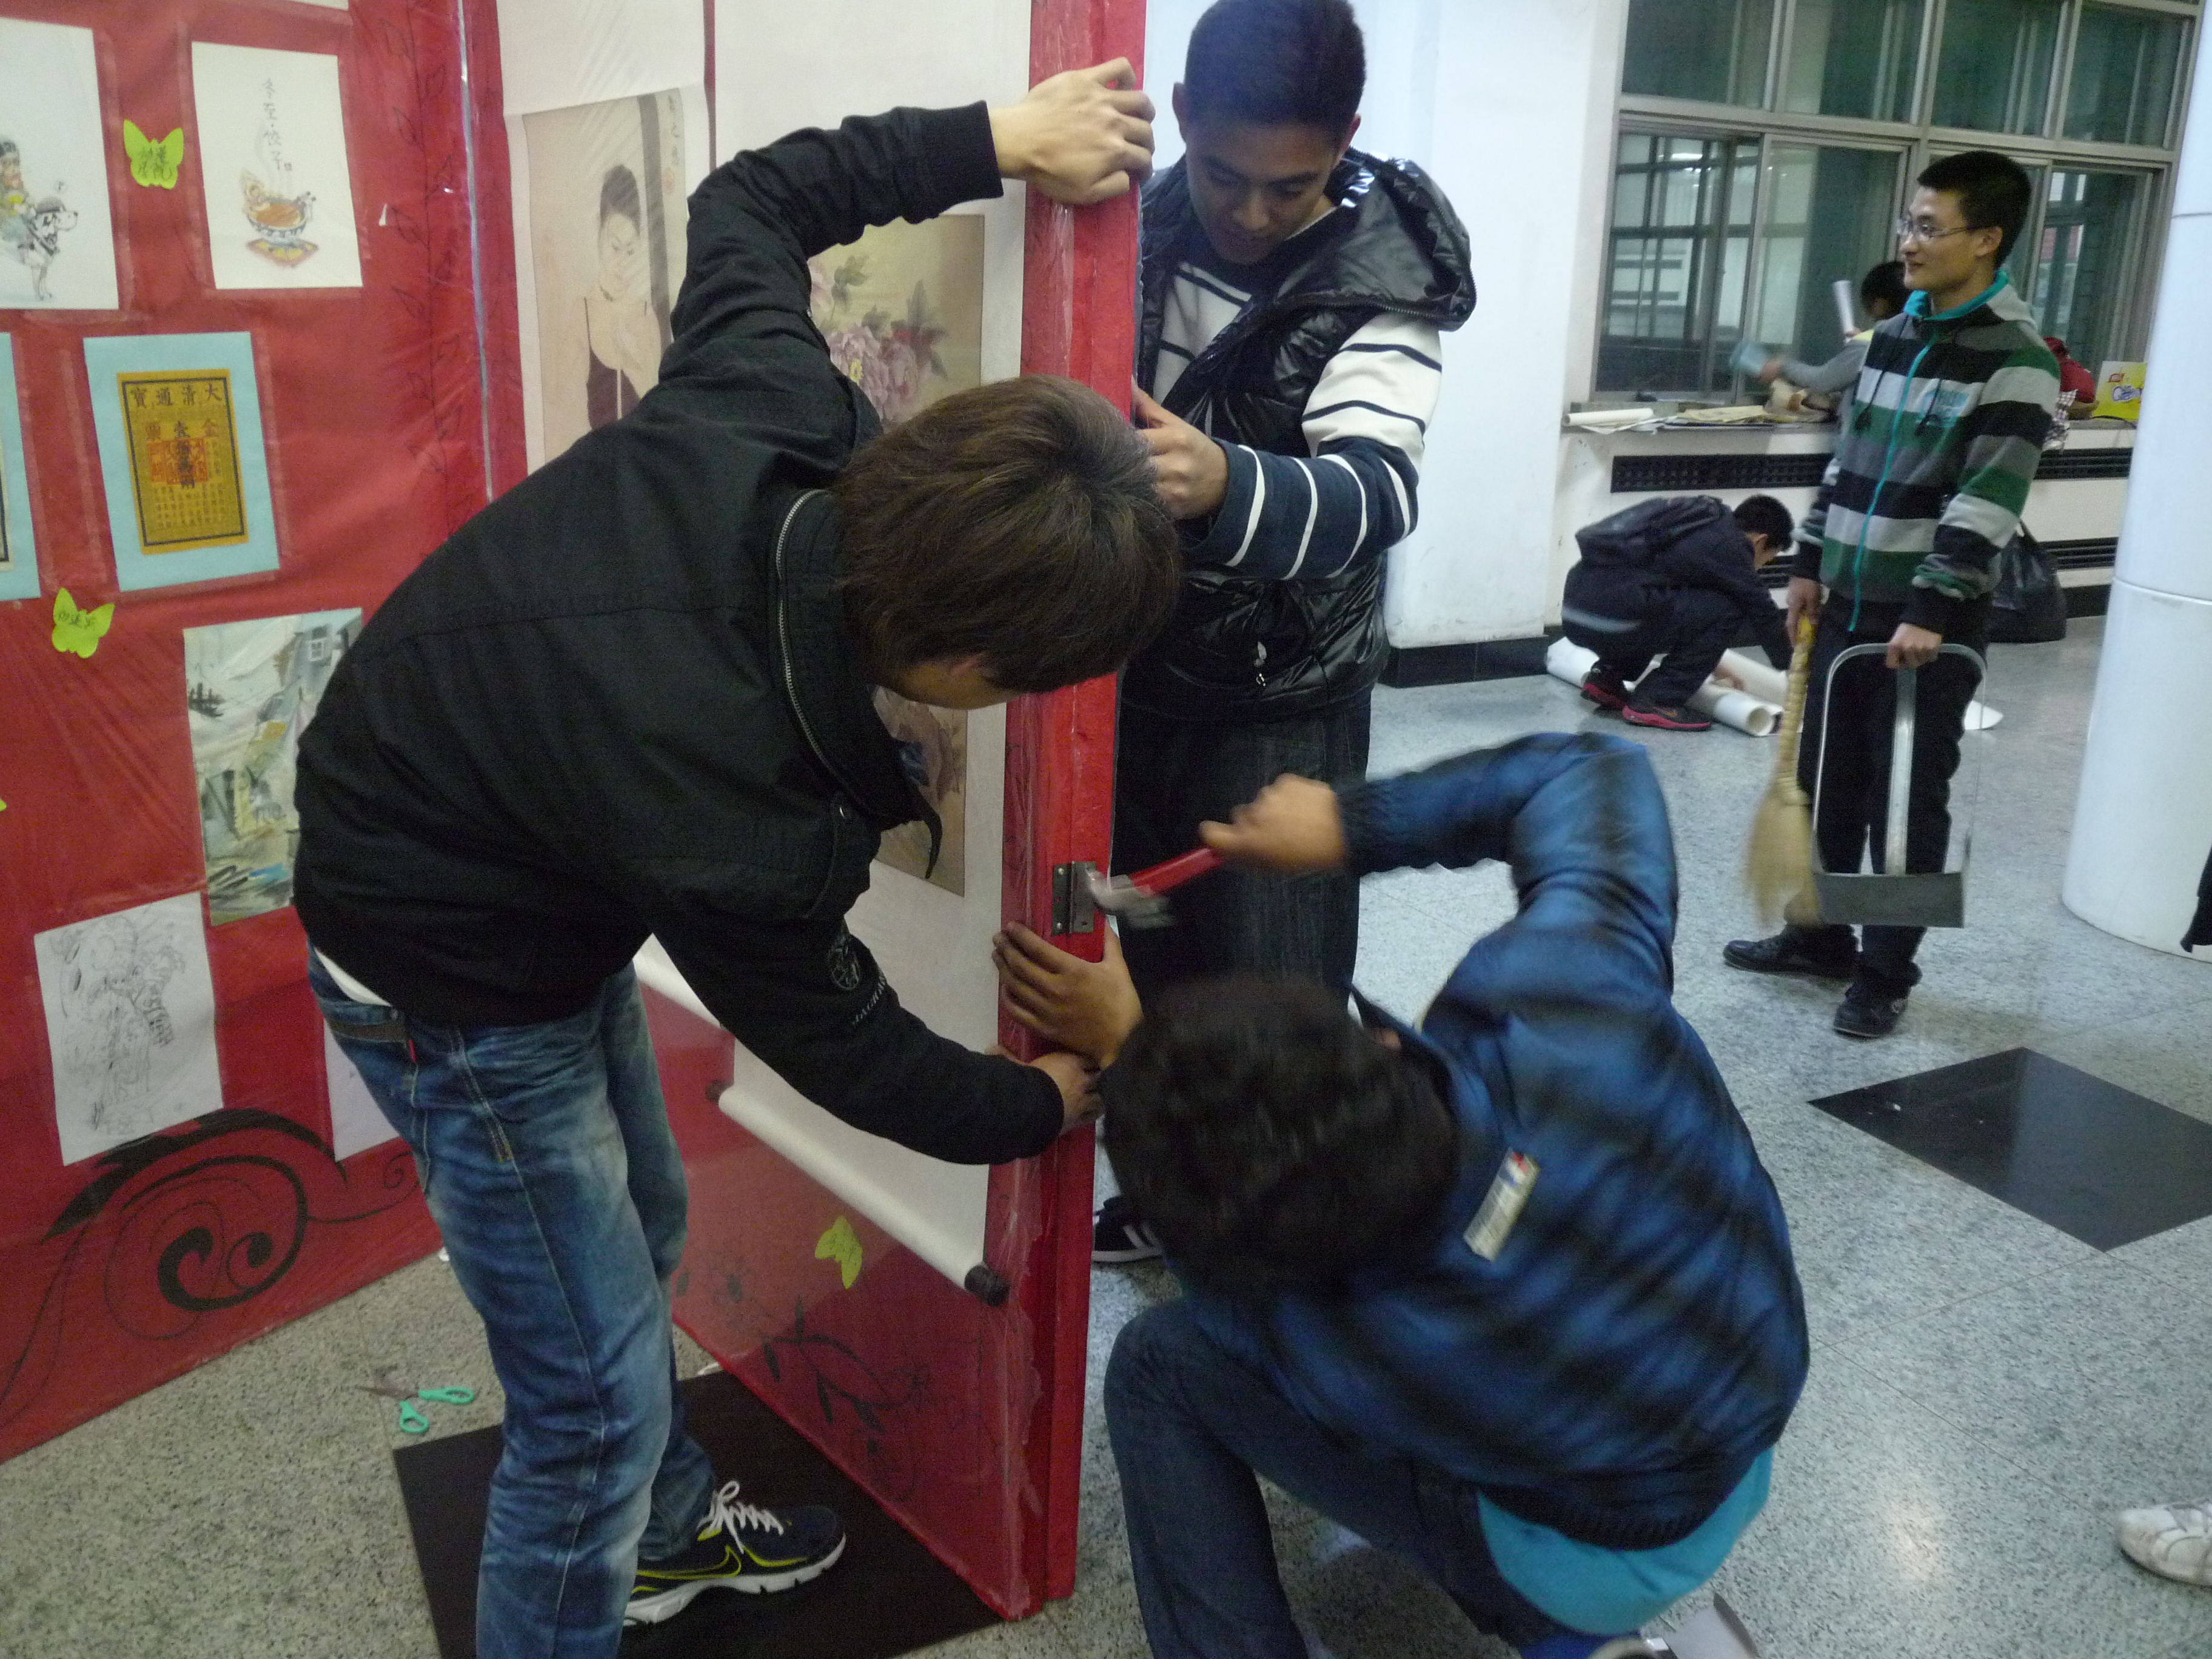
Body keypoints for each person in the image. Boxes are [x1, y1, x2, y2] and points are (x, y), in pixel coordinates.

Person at [294, 65, 1169, 1659]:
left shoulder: (770, 402)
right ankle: (614, 1541)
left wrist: (997, 141)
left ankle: (670, 1537)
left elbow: (749, 195)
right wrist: (1046, 1104)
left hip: (492, 840)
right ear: (971, 666)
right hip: (440, 968)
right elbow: (857, 1054)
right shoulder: (734, 816)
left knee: (639, 1227)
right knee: (586, 1416)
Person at [993, 732, 1808, 1659]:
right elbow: (1592, 772)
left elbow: (1223, 1286)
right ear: (1378, 1043)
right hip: (1737, 1443)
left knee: (1159, 1364)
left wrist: (1126, 1052)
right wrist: (1353, 824)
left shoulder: (1345, 1349)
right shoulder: (1576, 1002)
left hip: (1581, 1547)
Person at [1093, 0, 1475, 1264]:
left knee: (1277, 997)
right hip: (1124, 668)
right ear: (1183, 119)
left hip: (1279, 702)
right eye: (1225, 175)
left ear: (1344, 140)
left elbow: (1377, 497)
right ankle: (1174, 1200)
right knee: (1147, 955)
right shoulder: (1134, 220)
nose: (1251, 214)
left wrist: (1225, 482)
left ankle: (1296, 1255)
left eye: (1290, 186)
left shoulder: (1382, 281)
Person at [1724, 150, 2060, 1040]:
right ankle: (1821, 938)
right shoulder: (1895, 337)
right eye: (1909, 223)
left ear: (1986, 240)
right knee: (1826, 782)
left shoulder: (2018, 360)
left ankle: (1885, 973)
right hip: (1845, 603)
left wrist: (1931, 608)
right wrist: (1808, 559)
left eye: (1928, 227)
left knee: (1904, 802)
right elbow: (1848, 462)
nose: (1908, 242)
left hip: (1925, 627)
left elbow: (1988, 498)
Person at [1563, 493, 1794, 732]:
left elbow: (1685, 617)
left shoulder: (1697, 523)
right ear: (1761, 541)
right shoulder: (1732, 546)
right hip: (1618, 618)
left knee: (1653, 599)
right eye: (1769, 558)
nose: (1762, 565)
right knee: (1732, 608)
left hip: (1576, 613)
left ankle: (1606, 678)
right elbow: (1762, 610)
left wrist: (1713, 665)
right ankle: (1657, 700)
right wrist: (1790, 664)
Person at [583, 163, 668, 429]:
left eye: (630, 251)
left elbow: (659, 411)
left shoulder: (645, 316)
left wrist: (634, 365)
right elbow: (565, 415)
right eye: (615, 247)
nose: (622, 262)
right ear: (599, 236)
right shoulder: (583, 314)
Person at [1757, 258, 1908, 396]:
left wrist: (1783, 366)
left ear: (1880, 304)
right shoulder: (1910, 339)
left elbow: (1822, 381)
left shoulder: (1869, 344)